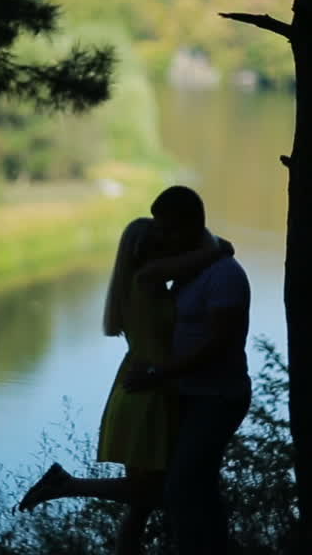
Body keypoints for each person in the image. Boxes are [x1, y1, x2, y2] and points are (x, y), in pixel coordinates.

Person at [16, 216, 232, 555]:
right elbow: (211, 253)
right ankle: (67, 484)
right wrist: (219, 247)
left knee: (141, 503)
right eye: (160, 239)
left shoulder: (146, 282)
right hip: (150, 392)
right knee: (158, 493)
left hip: (144, 385)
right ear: (147, 247)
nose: (168, 244)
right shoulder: (147, 278)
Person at [125, 186, 252, 555]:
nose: (161, 238)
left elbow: (218, 346)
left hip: (218, 397)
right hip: (189, 395)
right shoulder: (190, 272)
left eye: (165, 230)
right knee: (198, 487)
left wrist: (158, 375)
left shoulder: (224, 276)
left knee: (181, 488)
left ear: (186, 227)